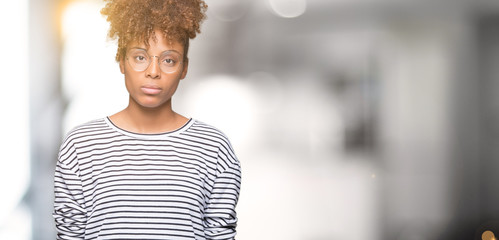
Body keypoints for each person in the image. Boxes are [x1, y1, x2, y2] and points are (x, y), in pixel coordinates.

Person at [53, 0, 242, 239]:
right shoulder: (81, 145)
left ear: (184, 68)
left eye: (168, 60)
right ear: (121, 60)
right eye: (140, 57)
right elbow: (69, 232)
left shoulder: (213, 148)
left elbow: (220, 233)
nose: (153, 71)